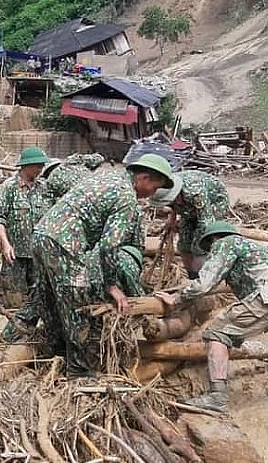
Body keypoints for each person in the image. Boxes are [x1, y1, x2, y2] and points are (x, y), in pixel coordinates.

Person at [31, 153, 174, 374]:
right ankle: (78, 372)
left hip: (41, 235)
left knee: (49, 297)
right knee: (77, 304)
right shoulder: (126, 196)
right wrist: (112, 286)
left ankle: (53, 353)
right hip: (65, 244)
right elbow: (109, 245)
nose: (151, 194)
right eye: (154, 188)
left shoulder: (107, 176)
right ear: (143, 178)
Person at [155, 222, 268, 413]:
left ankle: (217, 397)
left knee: (217, 334)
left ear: (213, 239)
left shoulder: (226, 243)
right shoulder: (257, 250)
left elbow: (204, 284)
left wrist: (176, 299)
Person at [0, 147, 54, 316]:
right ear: (26, 166)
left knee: (38, 300)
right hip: (15, 256)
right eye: (38, 166)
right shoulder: (9, 188)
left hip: (37, 255)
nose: (41, 169)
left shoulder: (44, 188)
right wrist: (5, 244)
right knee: (15, 302)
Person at [149, 170, 231, 277]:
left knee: (199, 246)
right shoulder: (165, 187)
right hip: (187, 204)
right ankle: (191, 275)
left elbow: (206, 223)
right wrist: (171, 220)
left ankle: (202, 276)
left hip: (214, 202)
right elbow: (172, 205)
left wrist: (204, 245)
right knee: (184, 243)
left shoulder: (195, 193)